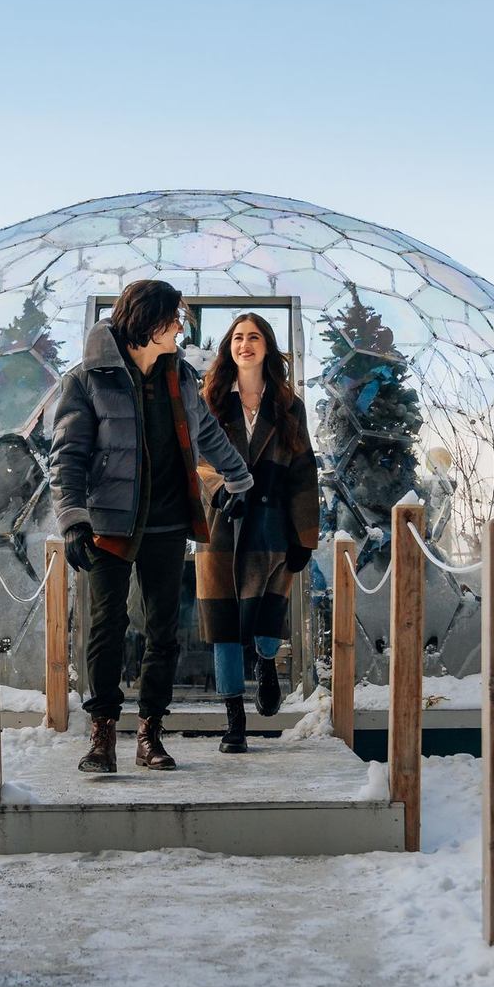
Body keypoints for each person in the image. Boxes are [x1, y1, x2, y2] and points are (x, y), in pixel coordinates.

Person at [48, 279, 254, 773]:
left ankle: (150, 733)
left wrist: (240, 479)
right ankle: (101, 735)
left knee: (163, 632)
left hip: (166, 522)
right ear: (149, 320)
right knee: (107, 628)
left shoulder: (179, 377)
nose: (181, 327)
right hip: (110, 524)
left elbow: (206, 432)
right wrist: (73, 519)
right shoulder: (88, 380)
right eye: (175, 318)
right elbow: (67, 455)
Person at [193, 312, 318, 753]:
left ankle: (266, 660)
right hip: (222, 525)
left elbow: (304, 473)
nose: (245, 344)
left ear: (267, 347)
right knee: (223, 625)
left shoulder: (289, 407)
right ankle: (234, 722)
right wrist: (219, 490)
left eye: (254, 337)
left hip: (271, 524)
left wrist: (305, 536)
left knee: (268, 613)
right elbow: (197, 461)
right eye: (238, 337)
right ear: (229, 347)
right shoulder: (209, 401)